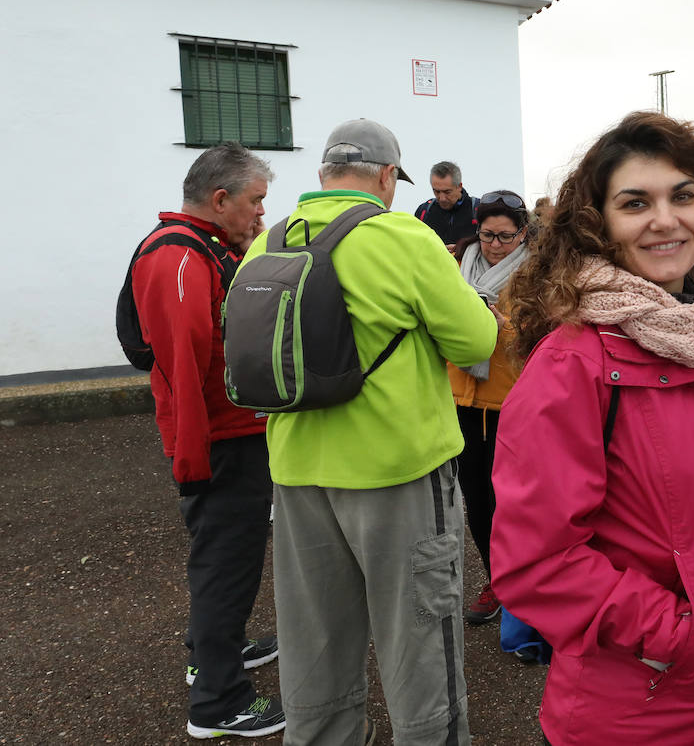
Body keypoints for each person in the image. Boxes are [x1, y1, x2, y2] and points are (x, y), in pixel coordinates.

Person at [490, 112, 694, 745]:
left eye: (683, 196)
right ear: (599, 225)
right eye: (635, 203)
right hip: (638, 709)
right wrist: (682, 638)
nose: (665, 220)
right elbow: (535, 563)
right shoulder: (575, 363)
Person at [253, 119, 496, 745]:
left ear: (323, 175)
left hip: (297, 473)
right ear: (387, 176)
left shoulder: (269, 240)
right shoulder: (401, 236)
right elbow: (476, 340)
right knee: (418, 643)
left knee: (315, 645)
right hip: (397, 473)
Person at [130, 144, 283, 740]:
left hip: (230, 437)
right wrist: (193, 461)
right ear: (220, 201)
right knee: (225, 561)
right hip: (220, 444)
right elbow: (184, 371)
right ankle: (218, 702)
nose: (261, 216)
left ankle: (218, 648)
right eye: (255, 202)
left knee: (228, 557)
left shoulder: (203, 248)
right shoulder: (180, 259)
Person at [447, 189, 532, 626]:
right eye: (487, 235)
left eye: (506, 237)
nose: (495, 245)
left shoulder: (537, 276)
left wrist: (506, 327)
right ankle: (497, 580)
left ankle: (526, 587)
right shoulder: (455, 267)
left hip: (511, 404)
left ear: (523, 234)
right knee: (477, 501)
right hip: (461, 399)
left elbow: (546, 341)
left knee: (514, 503)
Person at [416, 160, 478, 251]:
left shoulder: (478, 210)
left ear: (459, 186)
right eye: (436, 191)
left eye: (447, 192)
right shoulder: (423, 211)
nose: (442, 198)